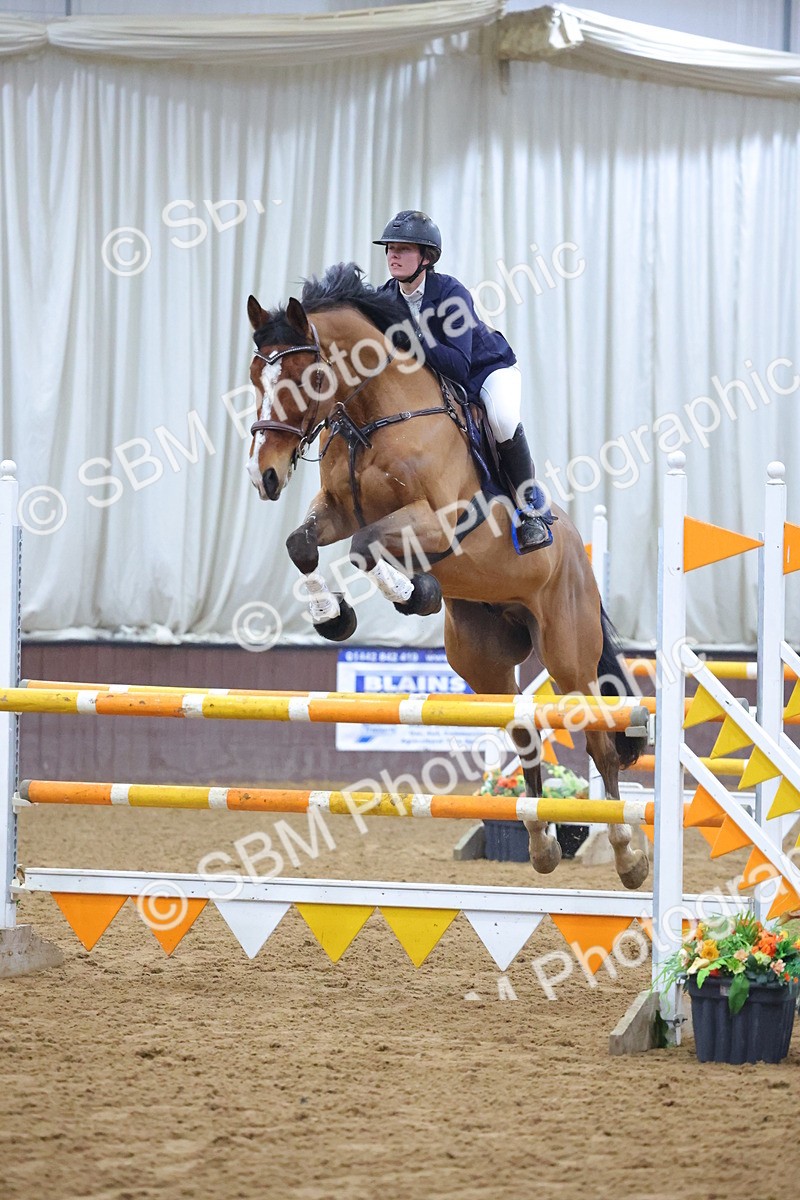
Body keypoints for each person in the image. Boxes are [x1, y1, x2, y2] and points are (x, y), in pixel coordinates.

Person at [374, 209, 553, 553]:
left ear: (427, 258)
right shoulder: (386, 299)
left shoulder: (451, 292)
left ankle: (530, 510)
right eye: (390, 248)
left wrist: (412, 335)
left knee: (502, 419)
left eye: (404, 248)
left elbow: (457, 364)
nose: (393, 255)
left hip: (486, 371)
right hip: (437, 383)